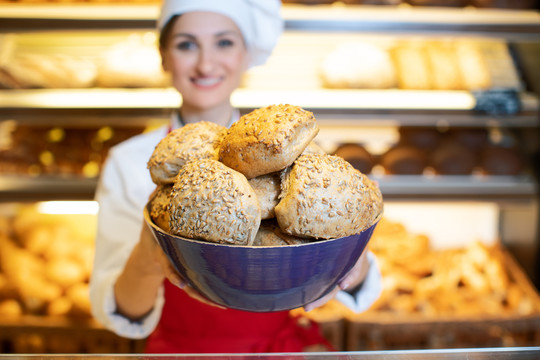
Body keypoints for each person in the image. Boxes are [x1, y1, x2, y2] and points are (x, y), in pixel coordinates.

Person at [89, 0, 381, 353]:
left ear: (248, 54)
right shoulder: (128, 161)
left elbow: (362, 292)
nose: (206, 63)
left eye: (224, 42)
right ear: (163, 56)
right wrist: (149, 254)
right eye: (186, 44)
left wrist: (351, 253)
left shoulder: (297, 155)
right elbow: (122, 315)